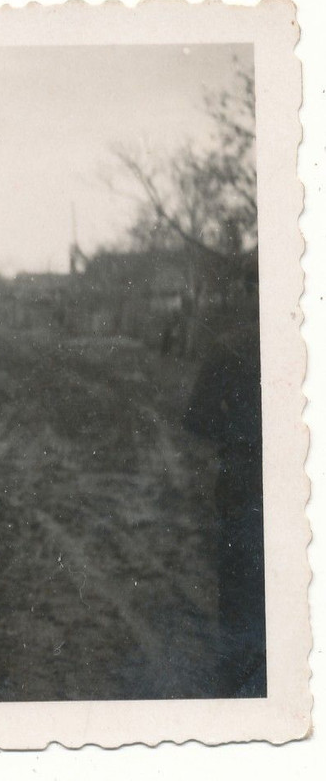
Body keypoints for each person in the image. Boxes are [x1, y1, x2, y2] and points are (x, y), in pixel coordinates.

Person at [183, 263, 264, 697]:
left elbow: (197, 419)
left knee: (242, 599)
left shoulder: (230, 347)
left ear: (248, 291)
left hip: (246, 485)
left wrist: (242, 433)